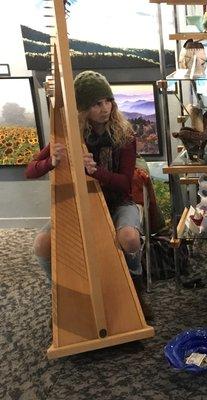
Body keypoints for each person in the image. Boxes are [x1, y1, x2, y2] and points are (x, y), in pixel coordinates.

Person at [25, 70, 153, 320]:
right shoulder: (71, 135)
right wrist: (50, 162)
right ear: (83, 109)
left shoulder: (124, 135)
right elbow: (30, 170)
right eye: (96, 104)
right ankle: (63, 297)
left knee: (129, 238)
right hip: (78, 204)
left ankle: (136, 290)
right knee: (42, 244)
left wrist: (95, 172)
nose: (105, 108)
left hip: (118, 202)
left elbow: (125, 184)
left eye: (108, 101)